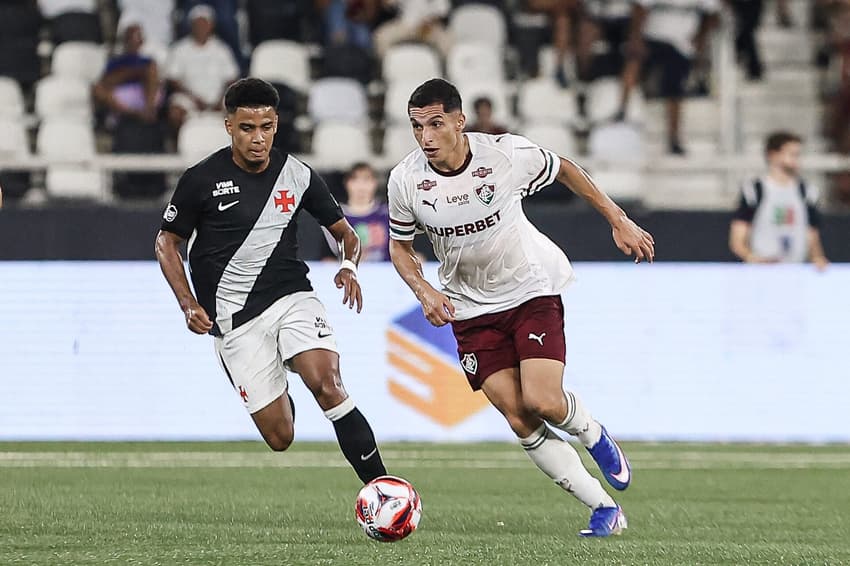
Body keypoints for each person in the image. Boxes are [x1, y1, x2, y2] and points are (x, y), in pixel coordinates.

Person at [387, 78, 655, 537]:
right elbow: (400, 247)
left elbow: (567, 169)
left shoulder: (504, 156)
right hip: (469, 308)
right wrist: (424, 290)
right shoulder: (406, 180)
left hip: (530, 288)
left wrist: (618, 218)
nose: (426, 137)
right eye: (417, 127)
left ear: (459, 121)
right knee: (517, 414)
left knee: (544, 400)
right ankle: (604, 508)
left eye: (435, 124)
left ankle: (592, 432)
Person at [155, 78, 387, 484]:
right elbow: (166, 242)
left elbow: (345, 234)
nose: (257, 138)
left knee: (329, 385)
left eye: (265, 127)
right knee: (281, 437)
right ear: (229, 126)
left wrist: (349, 266)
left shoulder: (297, 175)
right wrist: (188, 303)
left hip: (291, 297)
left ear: (276, 124)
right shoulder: (201, 179)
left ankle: (383, 488)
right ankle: (278, 375)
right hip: (233, 321)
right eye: (247, 128)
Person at [618, 0, 720, 154]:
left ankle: (674, 138)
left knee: (675, 88)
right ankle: (622, 111)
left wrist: (701, 37)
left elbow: (713, 13)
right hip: (652, 38)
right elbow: (640, 8)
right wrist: (636, 38)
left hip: (682, 45)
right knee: (634, 59)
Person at [729, 131, 830, 270]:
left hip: (796, 270)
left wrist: (817, 258)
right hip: (762, 271)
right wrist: (752, 258)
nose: (796, 160)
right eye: (792, 154)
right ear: (773, 155)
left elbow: (811, 234)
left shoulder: (807, 191)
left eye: (798, 155)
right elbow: (738, 237)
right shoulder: (754, 190)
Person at [165, 4, 240, 134]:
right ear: (191, 26)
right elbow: (173, 80)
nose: (201, 27)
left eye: (205, 23)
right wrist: (194, 100)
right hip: (190, 98)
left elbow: (232, 79)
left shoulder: (222, 49)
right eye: (198, 24)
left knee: (236, 109)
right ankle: (177, 145)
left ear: (211, 25)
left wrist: (219, 99)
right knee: (175, 111)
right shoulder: (180, 49)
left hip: (218, 98)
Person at [93, 21, 163, 125]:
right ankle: (136, 114)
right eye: (130, 37)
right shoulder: (116, 61)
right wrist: (133, 72)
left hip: (145, 96)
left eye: (137, 37)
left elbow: (153, 79)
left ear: (142, 41)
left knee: (151, 71)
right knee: (97, 89)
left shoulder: (148, 61)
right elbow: (107, 82)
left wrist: (135, 73)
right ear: (125, 40)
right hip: (122, 98)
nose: (134, 40)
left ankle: (148, 112)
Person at [324, 162, 391, 262]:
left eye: (366, 180)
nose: (361, 187)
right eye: (355, 180)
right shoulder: (335, 217)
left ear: (375, 183)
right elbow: (326, 259)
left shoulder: (389, 214)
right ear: (347, 183)